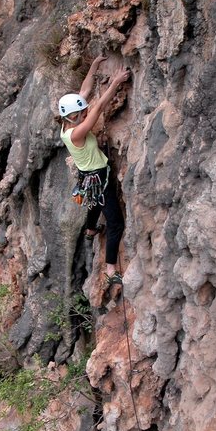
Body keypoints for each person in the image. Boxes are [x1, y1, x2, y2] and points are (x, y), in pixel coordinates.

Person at [59, 56, 130, 285]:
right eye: (81, 112)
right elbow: (98, 108)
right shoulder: (76, 133)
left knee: (94, 203)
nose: (84, 111)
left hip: (87, 175)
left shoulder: (66, 124)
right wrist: (116, 83)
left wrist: (94, 65)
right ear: (74, 116)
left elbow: (85, 91)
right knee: (115, 222)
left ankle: (90, 230)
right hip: (99, 176)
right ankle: (110, 269)